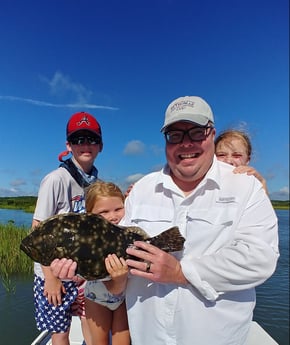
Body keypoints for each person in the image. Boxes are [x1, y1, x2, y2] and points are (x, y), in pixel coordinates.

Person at [51, 96, 279, 345]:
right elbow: (119, 276)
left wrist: (182, 272)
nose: (186, 143)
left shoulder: (247, 188)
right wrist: (83, 269)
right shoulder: (141, 190)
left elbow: (261, 258)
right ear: (165, 140)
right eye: (175, 135)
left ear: (211, 134)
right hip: (148, 337)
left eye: (196, 132)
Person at [32, 111, 103, 345]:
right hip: (52, 274)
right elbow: (37, 232)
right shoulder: (56, 180)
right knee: (60, 330)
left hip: (81, 273)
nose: (85, 145)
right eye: (78, 139)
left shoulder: (97, 183)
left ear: (100, 146)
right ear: (68, 145)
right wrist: (50, 277)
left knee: (89, 320)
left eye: (91, 139)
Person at [83, 181, 130, 345]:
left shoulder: (129, 232)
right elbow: (112, 286)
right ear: (90, 214)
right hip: (96, 298)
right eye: (104, 212)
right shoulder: (89, 241)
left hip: (124, 298)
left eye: (118, 209)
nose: (113, 216)